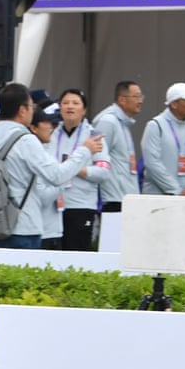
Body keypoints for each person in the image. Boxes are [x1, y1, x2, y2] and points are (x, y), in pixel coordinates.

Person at [0, 83, 103, 249]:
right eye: (31, 106)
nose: (33, 111)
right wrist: (84, 151)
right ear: (22, 110)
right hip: (22, 225)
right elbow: (56, 176)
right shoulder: (25, 139)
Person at [50, 88, 110, 250]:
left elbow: (103, 172)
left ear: (84, 110)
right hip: (53, 206)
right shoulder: (51, 135)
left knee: (77, 255)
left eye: (75, 103)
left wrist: (75, 168)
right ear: (59, 108)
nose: (70, 107)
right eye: (65, 103)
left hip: (81, 206)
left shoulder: (94, 136)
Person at [141, 82, 185, 197]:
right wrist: (176, 190)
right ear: (174, 104)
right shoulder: (155, 125)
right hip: (157, 197)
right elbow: (152, 163)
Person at [92, 80, 145, 212]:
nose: (141, 101)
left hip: (125, 197)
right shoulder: (108, 122)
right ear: (122, 100)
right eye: (137, 96)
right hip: (113, 198)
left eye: (141, 96)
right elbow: (96, 156)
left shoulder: (122, 123)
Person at [29, 107, 63, 250]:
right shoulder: (36, 156)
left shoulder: (45, 152)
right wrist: (62, 178)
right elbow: (42, 197)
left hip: (51, 229)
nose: (51, 127)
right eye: (47, 123)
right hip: (43, 232)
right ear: (34, 128)